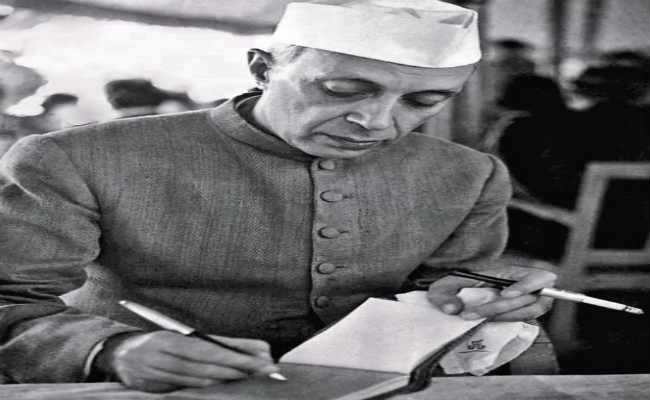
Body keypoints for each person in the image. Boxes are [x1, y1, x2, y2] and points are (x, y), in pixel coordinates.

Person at [0, 0, 556, 392]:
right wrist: (111, 350)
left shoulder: (469, 173)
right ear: (263, 69)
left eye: (424, 102)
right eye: (342, 90)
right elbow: (11, 300)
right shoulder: (77, 158)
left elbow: (444, 288)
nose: (376, 121)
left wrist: (476, 296)